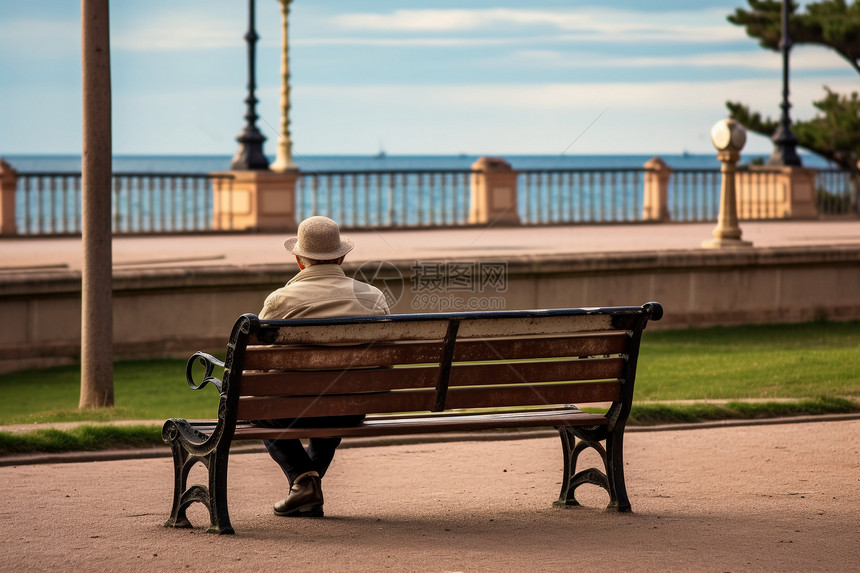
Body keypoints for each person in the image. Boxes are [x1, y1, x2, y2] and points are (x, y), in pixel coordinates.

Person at [256, 216, 389, 518]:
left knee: (255, 404)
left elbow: (256, 367)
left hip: (292, 408)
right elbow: (384, 362)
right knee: (339, 397)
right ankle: (307, 487)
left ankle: (304, 481)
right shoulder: (373, 297)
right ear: (341, 256)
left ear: (299, 260)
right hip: (352, 406)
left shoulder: (281, 300)